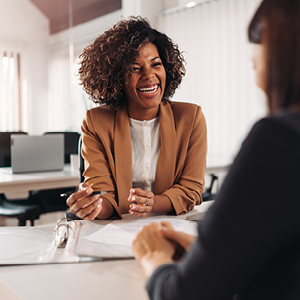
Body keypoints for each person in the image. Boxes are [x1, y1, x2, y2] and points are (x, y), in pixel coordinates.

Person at [132, 0, 300, 299]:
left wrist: (153, 258)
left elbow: (185, 294)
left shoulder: (278, 141)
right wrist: (215, 256)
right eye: (135, 68)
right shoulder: (98, 122)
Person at [66, 17, 207, 220]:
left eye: (155, 64)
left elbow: (191, 189)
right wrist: (93, 206)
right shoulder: (96, 122)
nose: (149, 76)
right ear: (116, 77)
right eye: (135, 68)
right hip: (117, 229)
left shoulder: (191, 118)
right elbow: (103, 195)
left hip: (171, 225)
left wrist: (153, 203)